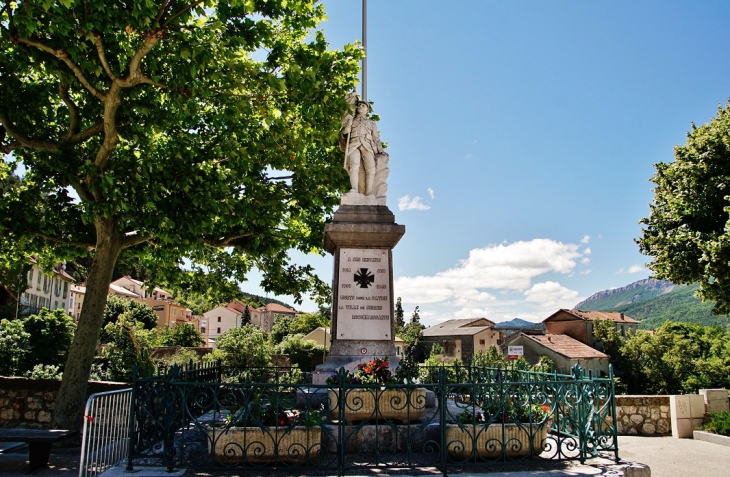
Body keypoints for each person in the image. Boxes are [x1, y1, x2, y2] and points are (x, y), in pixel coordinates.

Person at [340, 100, 385, 196]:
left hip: (367, 146)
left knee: (371, 168)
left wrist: (380, 150)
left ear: (367, 110)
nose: (360, 106)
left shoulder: (371, 123)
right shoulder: (351, 120)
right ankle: (354, 189)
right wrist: (345, 131)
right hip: (353, 144)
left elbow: (375, 138)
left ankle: (368, 191)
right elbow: (343, 135)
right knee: (354, 166)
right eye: (359, 105)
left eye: (363, 105)